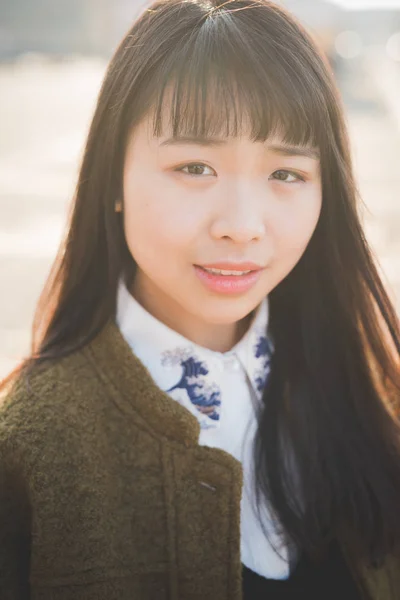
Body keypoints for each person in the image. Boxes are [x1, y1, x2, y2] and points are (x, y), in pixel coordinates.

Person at [1, 0, 400, 598]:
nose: (242, 225)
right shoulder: (33, 446)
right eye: (194, 166)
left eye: (286, 174)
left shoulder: (366, 390)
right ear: (111, 179)